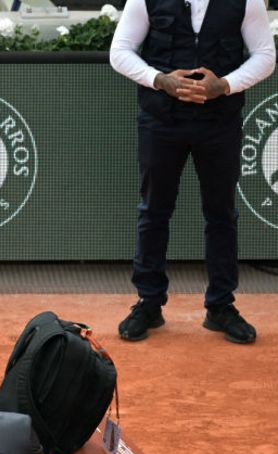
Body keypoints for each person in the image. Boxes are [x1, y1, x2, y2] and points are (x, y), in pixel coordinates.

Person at [109, 0, 275, 344]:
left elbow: (265, 55)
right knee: (153, 211)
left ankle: (221, 307)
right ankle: (149, 303)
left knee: (222, 215)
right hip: (161, 121)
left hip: (220, 123)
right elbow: (120, 51)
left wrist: (225, 85)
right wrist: (159, 80)